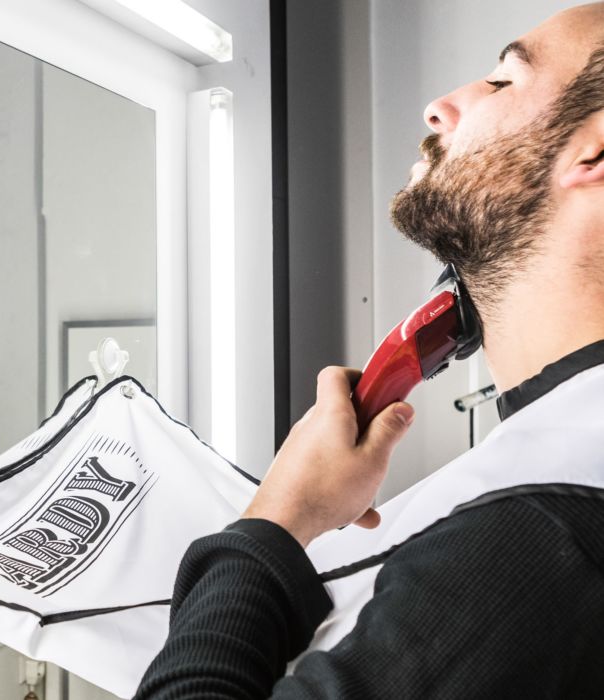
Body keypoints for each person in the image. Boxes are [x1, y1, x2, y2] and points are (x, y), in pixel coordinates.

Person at [135, 3, 604, 697]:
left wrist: (275, 522)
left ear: (593, 153)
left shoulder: (538, 540)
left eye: (503, 83)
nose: (440, 107)